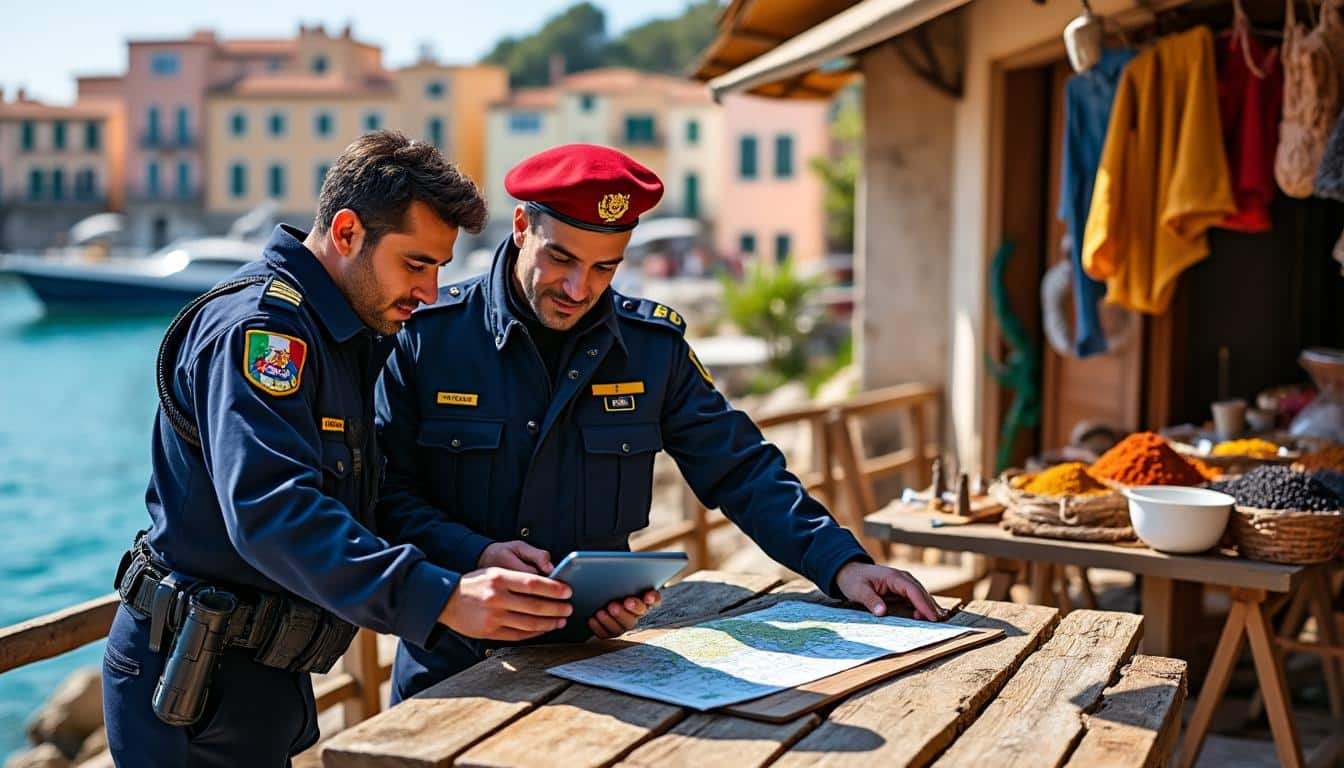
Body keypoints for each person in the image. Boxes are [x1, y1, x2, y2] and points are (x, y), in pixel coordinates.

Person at [375, 144, 942, 704]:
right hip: (452, 670)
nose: (579, 290)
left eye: (604, 267)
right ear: (522, 226)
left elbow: (741, 468)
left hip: (592, 666)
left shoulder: (651, 350)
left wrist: (842, 564)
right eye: (563, 259)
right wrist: (474, 553)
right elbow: (382, 492)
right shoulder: (427, 337)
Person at [103, 131, 575, 767]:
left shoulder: (346, 334)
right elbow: (274, 512)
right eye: (416, 264)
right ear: (348, 232)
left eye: (439, 268)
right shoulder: (263, 334)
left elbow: (361, 500)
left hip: (257, 676)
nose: (431, 292)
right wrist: (440, 599)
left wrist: (475, 554)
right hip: (189, 685)